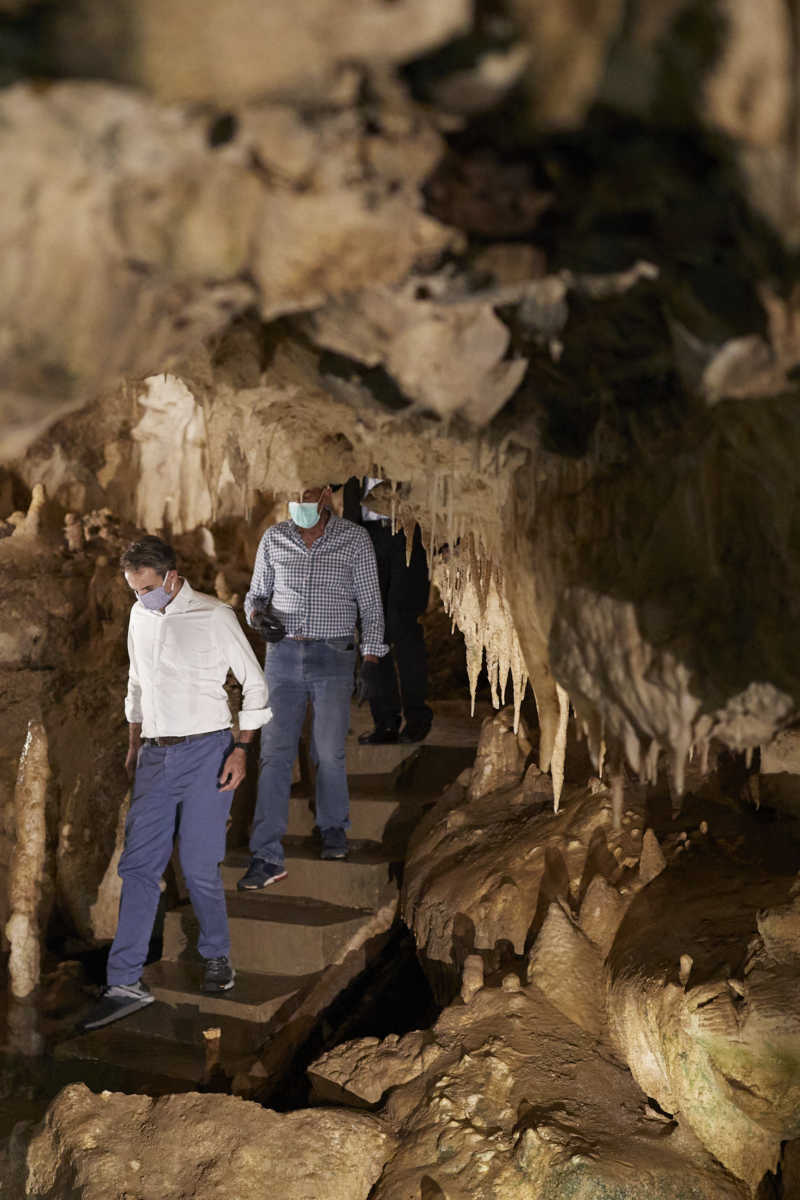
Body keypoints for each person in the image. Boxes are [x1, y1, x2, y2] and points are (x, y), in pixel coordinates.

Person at [79, 535, 270, 1032]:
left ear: (170, 576)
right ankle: (123, 981)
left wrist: (243, 750)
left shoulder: (213, 615)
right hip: (155, 755)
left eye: (145, 587)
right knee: (139, 865)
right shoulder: (139, 617)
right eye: (132, 590)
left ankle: (216, 955)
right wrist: (132, 742)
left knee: (198, 862)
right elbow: (137, 685)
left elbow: (254, 684)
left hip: (208, 750)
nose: (139, 598)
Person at [238, 485, 387, 888]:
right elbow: (256, 594)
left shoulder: (353, 539)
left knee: (328, 750)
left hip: (333, 654)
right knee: (274, 754)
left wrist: (371, 659)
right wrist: (257, 616)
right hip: (283, 657)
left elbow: (370, 603)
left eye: (308, 500)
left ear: (325, 501)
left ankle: (333, 827)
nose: (300, 507)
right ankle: (265, 851)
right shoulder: (275, 538)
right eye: (295, 499)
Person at [344, 477, 433, 745]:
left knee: (403, 625)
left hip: (406, 530)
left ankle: (417, 718)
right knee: (371, 628)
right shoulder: (355, 451)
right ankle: (385, 722)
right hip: (365, 534)